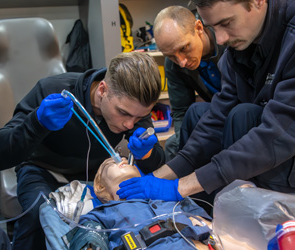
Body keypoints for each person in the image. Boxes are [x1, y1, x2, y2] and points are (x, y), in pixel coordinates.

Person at [116, 0, 295, 203]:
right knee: (199, 113)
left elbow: (279, 131)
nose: (219, 39)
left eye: (226, 23)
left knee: (243, 115)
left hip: (283, 157)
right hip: (266, 147)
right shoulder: (238, 47)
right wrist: (158, 177)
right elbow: (217, 118)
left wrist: (181, 186)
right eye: (214, 27)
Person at [0, 51, 165, 249]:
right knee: (39, 217)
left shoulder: (134, 109)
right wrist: (36, 124)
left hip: (96, 176)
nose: (129, 124)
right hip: (43, 170)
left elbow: (159, 165)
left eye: (138, 118)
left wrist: (148, 154)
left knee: (119, 221)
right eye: (123, 113)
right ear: (103, 89)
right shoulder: (52, 90)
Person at [39, 157, 212, 250]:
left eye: (126, 160)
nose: (121, 159)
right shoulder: (101, 214)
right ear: (99, 186)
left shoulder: (166, 194)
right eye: (112, 163)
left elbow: (209, 222)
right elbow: (89, 238)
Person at [153, 6, 225, 161]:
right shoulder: (174, 65)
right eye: (171, 56)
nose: (181, 62)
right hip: (216, 117)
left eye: (184, 48)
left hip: (243, 113)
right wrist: (185, 148)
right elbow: (181, 111)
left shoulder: (228, 43)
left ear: (199, 28)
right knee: (174, 145)